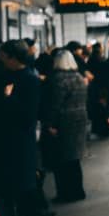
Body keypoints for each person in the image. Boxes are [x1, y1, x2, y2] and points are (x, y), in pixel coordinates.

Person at [0, 40, 41, 216]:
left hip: (22, 140)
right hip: (9, 140)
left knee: (25, 184)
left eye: (3, 56)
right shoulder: (7, 76)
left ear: (13, 57)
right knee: (14, 184)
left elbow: (29, 114)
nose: (0, 59)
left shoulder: (29, 80)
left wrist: (8, 98)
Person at [42, 50, 88, 202]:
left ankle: (65, 193)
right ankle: (78, 190)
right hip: (80, 119)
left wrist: (50, 123)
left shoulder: (57, 80)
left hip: (63, 121)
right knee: (74, 158)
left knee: (61, 159)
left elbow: (54, 104)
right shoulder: (79, 77)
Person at [86, 43, 109, 137]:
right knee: (102, 109)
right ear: (99, 49)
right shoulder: (100, 60)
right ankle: (103, 129)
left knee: (97, 109)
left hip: (94, 88)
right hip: (100, 89)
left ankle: (98, 129)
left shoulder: (90, 60)